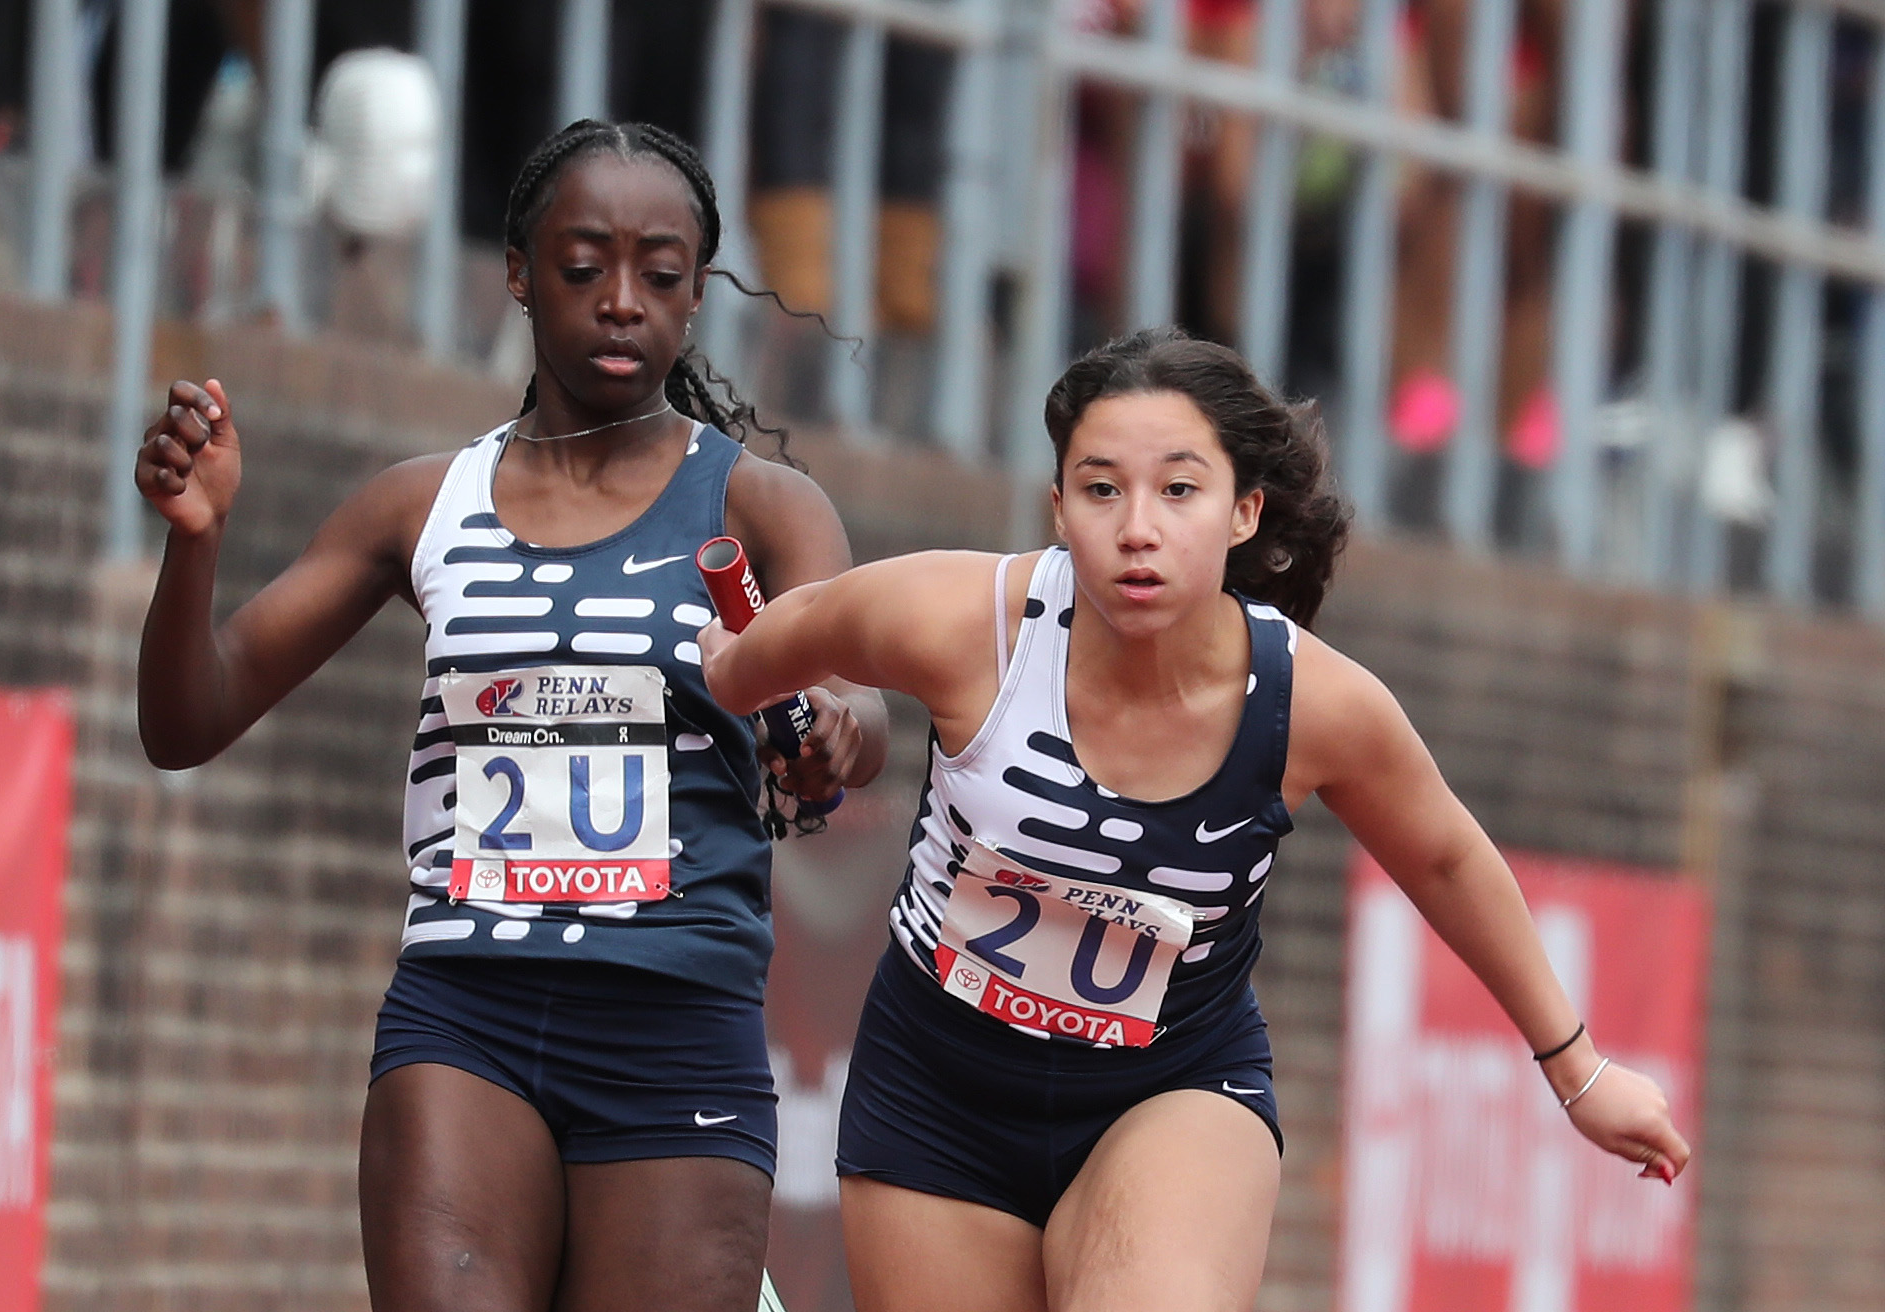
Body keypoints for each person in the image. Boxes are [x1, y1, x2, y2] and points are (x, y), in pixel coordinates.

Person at [698, 328, 1690, 1312]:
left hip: (1169, 1088)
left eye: (1178, 490)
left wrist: (1578, 1069)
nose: (1137, 527)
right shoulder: (961, 620)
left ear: (1243, 510)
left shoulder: (1310, 701)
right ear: (1057, 508)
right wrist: (743, 676)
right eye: (1100, 490)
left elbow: (1443, 859)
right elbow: (786, 636)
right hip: (936, 1094)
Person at [132, 118, 887, 1312]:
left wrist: (837, 727)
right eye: (584, 268)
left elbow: (858, 705)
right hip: (464, 1016)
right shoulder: (420, 505)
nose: (623, 302)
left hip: (676, 1025)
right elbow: (189, 716)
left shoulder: (763, 506)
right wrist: (197, 543)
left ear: (698, 295)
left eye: (661, 273)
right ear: (518, 275)